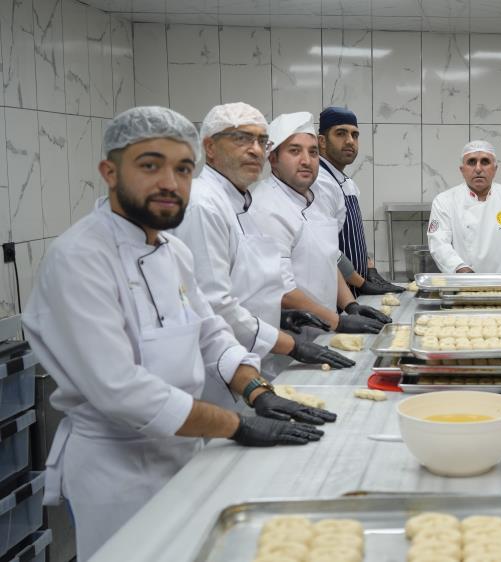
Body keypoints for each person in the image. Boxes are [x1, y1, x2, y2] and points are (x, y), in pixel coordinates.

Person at [22, 107, 335, 560]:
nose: (170, 182)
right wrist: (235, 424)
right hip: (118, 470)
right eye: (151, 166)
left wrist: (257, 390)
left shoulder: (172, 251)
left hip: (186, 453)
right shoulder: (79, 259)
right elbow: (123, 392)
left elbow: (211, 333)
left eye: (183, 169)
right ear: (110, 172)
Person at [172, 102, 355, 408]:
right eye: (241, 139)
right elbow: (215, 306)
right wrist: (290, 344)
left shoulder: (240, 202)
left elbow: (249, 284)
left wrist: (280, 315)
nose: (254, 149)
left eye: (260, 140)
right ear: (210, 148)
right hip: (218, 373)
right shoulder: (204, 206)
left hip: (251, 360)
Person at [250, 111, 391, 331]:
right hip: (290, 341)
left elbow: (327, 259)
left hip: (324, 327)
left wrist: (350, 305)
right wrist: (338, 321)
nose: (306, 161)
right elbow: (283, 292)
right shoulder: (266, 208)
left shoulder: (314, 198)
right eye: (295, 151)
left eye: (313, 152)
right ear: (273, 159)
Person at [314, 106, 401, 295]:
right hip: (335, 293)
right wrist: (362, 283)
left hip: (353, 289)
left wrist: (370, 267)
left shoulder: (346, 181)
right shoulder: (319, 181)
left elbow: (354, 234)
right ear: (321, 141)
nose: (350, 141)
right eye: (341, 134)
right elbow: (325, 248)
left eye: (355, 135)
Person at [427, 140, 501, 273]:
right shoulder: (444, 201)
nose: (478, 169)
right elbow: (439, 245)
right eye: (472, 162)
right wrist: (462, 271)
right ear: (462, 170)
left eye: (485, 162)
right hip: (462, 286)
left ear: (495, 169)